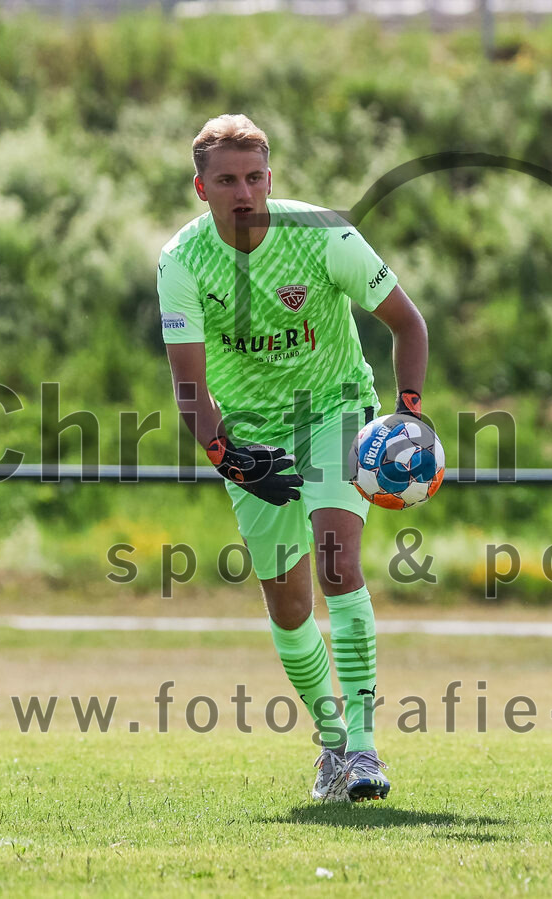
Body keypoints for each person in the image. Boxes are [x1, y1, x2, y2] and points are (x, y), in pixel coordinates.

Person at [156, 114, 428, 803]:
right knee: (287, 602)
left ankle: (365, 749)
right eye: (226, 180)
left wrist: (409, 415)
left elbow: (407, 322)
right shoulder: (182, 262)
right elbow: (189, 384)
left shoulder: (323, 234)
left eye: (253, 176)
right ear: (201, 187)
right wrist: (225, 452)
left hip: (335, 412)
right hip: (249, 431)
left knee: (338, 557)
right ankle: (332, 745)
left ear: (269, 179)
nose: (242, 191)